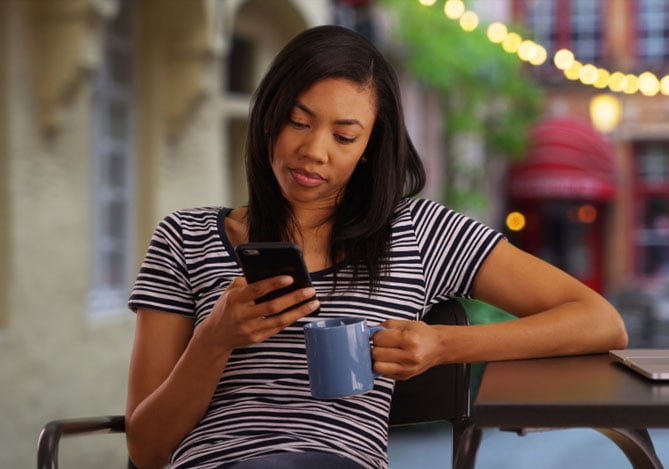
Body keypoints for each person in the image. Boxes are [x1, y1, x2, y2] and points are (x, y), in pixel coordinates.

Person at [125, 25, 628, 469]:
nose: (314, 151)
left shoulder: (419, 232)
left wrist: (442, 346)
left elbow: (599, 320)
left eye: (344, 136)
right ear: (267, 116)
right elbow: (146, 450)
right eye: (299, 122)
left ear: (369, 148)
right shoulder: (184, 238)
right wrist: (214, 338)